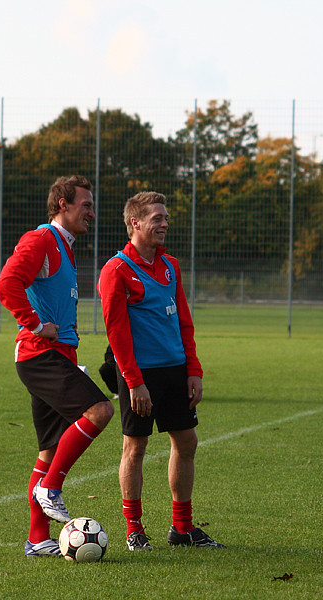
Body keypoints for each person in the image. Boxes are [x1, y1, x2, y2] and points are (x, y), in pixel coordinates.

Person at [98, 191, 224, 551]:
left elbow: (184, 320)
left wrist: (194, 370)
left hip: (175, 370)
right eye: (157, 217)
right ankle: (134, 529)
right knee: (135, 447)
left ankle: (182, 529)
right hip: (140, 374)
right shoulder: (116, 270)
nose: (165, 223)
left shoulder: (170, 265)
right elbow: (117, 333)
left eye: (165, 217)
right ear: (135, 223)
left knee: (187, 442)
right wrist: (134, 382)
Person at [0, 175, 114, 558]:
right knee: (100, 410)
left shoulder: (65, 247)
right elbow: (7, 282)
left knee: (49, 448)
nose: (91, 213)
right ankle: (51, 488)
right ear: (62, 204)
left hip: (58, 356)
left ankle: (37, 539)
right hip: (38, 354)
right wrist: (33, 322)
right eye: (86, 205)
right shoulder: (42, 239)